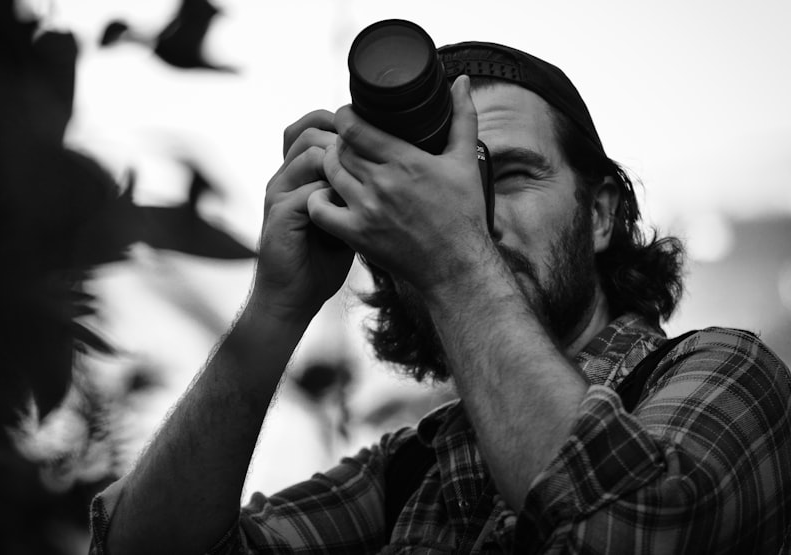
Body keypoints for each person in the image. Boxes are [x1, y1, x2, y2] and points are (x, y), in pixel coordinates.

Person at [88, 41, 791, 554]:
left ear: (601, 214)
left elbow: (627, 529)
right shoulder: (412, 469)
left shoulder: (731, 372)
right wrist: (279, 303)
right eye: (439, 191)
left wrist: (456, 258)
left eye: (508, 175)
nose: (472, 214)